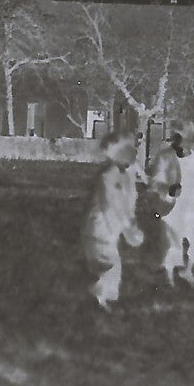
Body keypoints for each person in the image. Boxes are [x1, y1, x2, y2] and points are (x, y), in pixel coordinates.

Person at [81, 129, 145, 310]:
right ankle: (97, 295)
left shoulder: (126, 176)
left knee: (112, 266)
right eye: (130, 150)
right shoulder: (108, 176)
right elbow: (109, 205)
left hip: (111, 230)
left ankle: (101, 297)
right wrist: (126, 226)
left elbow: (128, 202)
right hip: (100, 228)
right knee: (109, 265)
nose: (135, 153)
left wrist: (131, 223)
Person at [147, 121, 194, 288]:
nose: (185, 142)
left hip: (193, 201)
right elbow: (154, 182)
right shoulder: (165, 156)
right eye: (179, 138)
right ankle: (169, 279)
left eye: (188, 138)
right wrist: (169, 190)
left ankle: (188, 271)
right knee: (173, 240)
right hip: (172, 203)